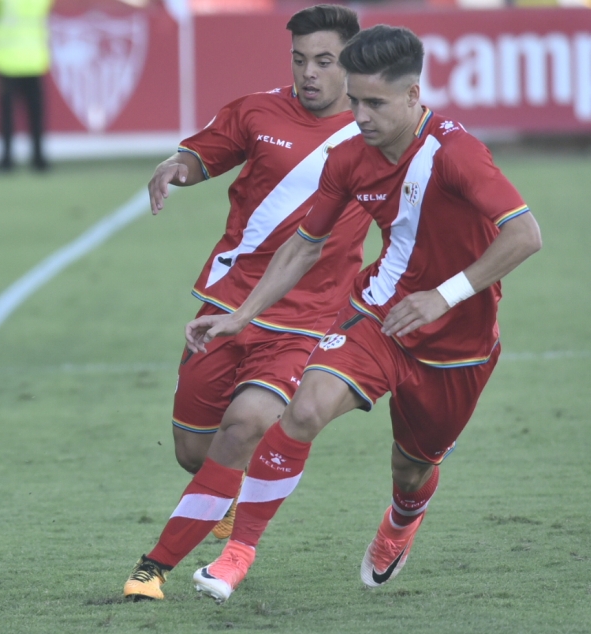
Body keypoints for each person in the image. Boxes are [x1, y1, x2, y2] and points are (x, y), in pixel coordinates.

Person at [187, 25, 541, 603]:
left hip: (459, 342)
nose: (360, 114)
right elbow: (304, 244)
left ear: (413, 95)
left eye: (375, 102)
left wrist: (443, 296)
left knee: (411, 468)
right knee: (303, 410)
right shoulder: (350, 156)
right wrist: (242, 313)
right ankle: (237, 553)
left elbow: (525, 235)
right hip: (377, 315)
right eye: (354, 99)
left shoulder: (456, 154)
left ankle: (402, 521)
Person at [123, 5, 368, 601]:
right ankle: (228, 497)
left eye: (324, 61)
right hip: (225, 305)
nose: (309, 73)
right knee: (194, 452)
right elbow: (198, 156)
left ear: (352, 65)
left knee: (244, 428)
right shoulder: (257, 111)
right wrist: (172, 168)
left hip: (306, 322)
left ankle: (152, 570)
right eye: (300, 60)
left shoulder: (376, 134)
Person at [0, 0, 52, 172]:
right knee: (36, 114)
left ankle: (6, 161)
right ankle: (39, 161)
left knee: (6, 116)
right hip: (33, 59)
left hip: (6, 61)